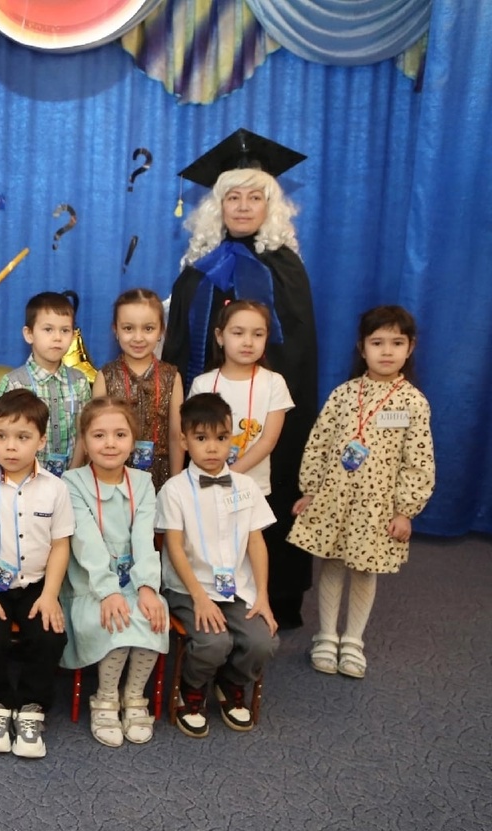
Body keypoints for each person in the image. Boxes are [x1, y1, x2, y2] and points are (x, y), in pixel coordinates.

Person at [163, 129, 318, 629]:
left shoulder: (286, 269)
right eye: (234, 197)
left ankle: (272, 595)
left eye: (255, 197)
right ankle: (195, 590)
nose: (244, 206)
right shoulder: (199, 270)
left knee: (261, 508)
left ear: (271, 205)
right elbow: (179, 350)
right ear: (218, 205)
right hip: (207, 416)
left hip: (263, 420)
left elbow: (297, 352)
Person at [288, 306, 435, 679]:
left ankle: (353, 640)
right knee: (333, 563)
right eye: (377, 342)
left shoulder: (412, 402)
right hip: (336, 500)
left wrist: (405, 511)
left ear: (410, 347)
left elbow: (418, 461)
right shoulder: (343, 395)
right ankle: (326, 636)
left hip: (377, 507)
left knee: (365, 569)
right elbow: (319, 444)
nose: (386, 351)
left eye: (396, 343)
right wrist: (311, 491)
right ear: (362, 347)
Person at [156, 393, 278, 738]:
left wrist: (262, 596)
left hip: (237, 588)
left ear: (231, 440)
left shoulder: (246, 486)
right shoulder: (174, 490)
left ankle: (230, 682)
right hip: (188, 588)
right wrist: (199, 597)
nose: (212, 448)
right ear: (184, 441)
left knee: (263, 642)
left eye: (221, 438)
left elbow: (256, 542)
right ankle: (192, 688)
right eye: (201, 438)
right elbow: (174, 547)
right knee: (214, 642)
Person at [0, 390, 73, 758]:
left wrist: (50, 595)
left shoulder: (56, 489)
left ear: (41, 440)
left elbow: (60, 546)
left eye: (23, 437)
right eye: (2, 436)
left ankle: (31, 706)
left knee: (49, 636)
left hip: (37, 584)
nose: (10, 446)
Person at [61, 398, 168, 747]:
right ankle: (105, 698)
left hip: (135, 579)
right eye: (99, 435)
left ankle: (134, 696)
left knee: (151, 614)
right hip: (90, 583)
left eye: (120, 435)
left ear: (133, 440)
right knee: (117, 618)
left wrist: (148, 587)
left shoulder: (143, 482)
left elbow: (144, 540)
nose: (110, 443)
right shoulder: (72, 482)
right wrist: (108, 591)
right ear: (84, 440)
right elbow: (86, 543)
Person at [187, 300, 293, 499]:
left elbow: (268, 440)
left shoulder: (274, 383)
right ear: (220, 336)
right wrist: (216, 476)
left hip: (252, 489)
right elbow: (193, 436)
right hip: (206, 484)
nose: (248, 342)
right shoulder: (203, 384)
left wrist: (229, 474)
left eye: (258, 334)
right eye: (238, 333)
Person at [91, 288, 184, 490]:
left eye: (148, 328)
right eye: (128, 328)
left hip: (160, 478)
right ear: (115, 330)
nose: (138, 337)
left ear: (161, 330)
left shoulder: (172, 377)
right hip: (115, 476)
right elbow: (94, 433)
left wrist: (176, 486)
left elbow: (176, 436)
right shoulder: (105, 376)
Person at [0, 291, 92, 477]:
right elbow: (4, 436)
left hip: (71, 479)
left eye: (65, 330)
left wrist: (72, 475)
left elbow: (83, 433)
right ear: (29, 334)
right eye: (48, 329)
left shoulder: (79, 381)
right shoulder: (14, 383)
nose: (57, 337)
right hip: (27, 479)